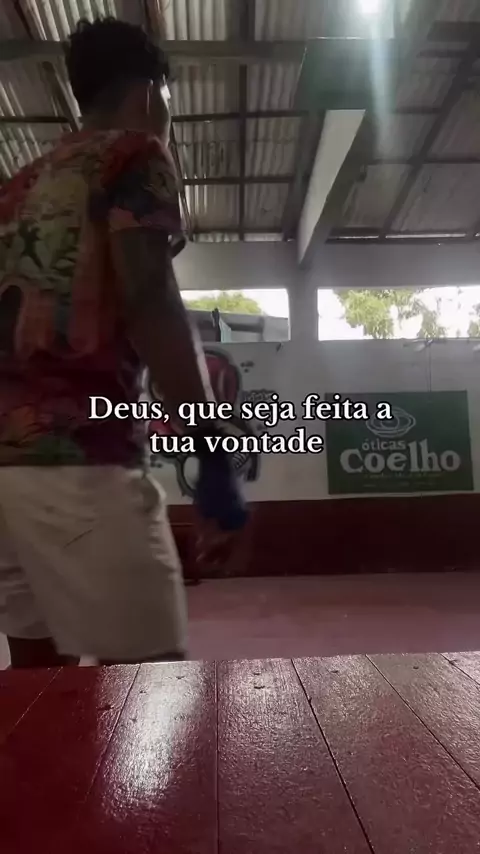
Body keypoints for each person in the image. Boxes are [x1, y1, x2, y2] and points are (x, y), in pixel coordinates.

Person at [0, 17, 246, 669]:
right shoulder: (133, 154)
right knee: (149, 678)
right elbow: (150, 299)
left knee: (38, 685)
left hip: (5, 467)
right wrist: (212, 448)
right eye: (166, 101)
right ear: (147, 95)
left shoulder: (18, 185)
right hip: (76, 459)